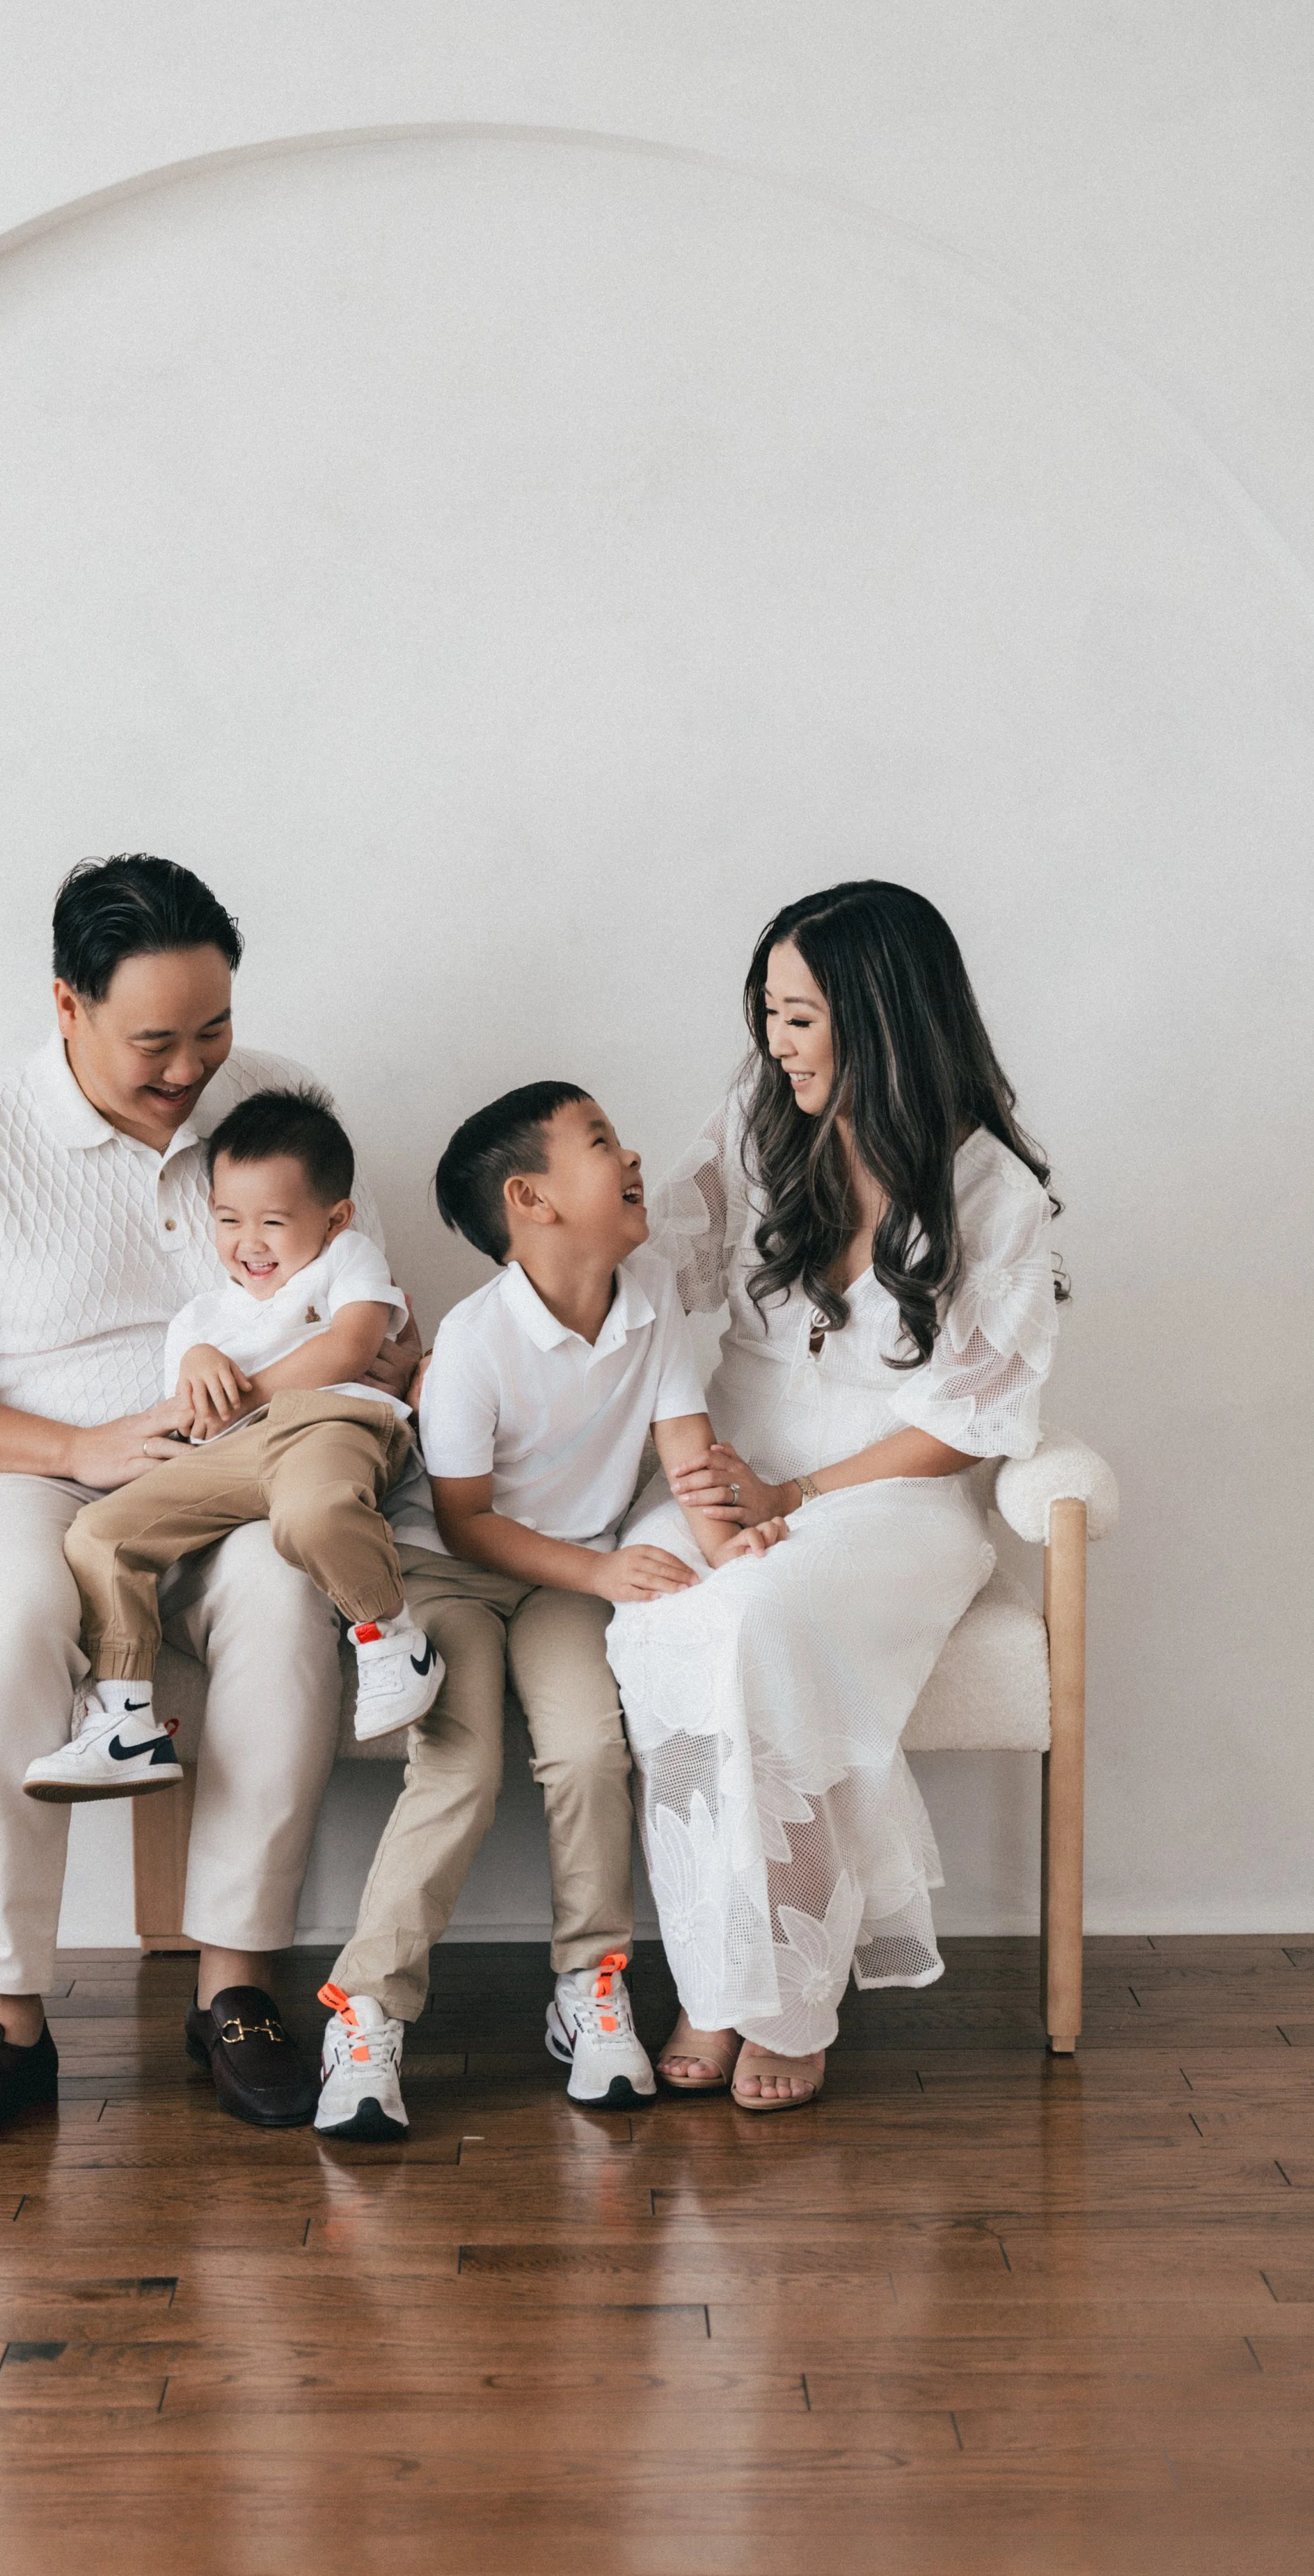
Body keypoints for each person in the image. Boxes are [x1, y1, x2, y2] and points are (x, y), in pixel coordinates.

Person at [0, 855, 419, 2155]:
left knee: (279, 1596)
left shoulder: (271, 1101)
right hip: (29, 1476)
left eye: (212, 1028)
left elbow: (351, 1291)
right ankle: (2, 2014)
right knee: (21, 1616)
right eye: (156, 1039)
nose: (191, 1066)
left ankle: (237, 1987)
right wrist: (74, 1444)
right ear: (66, 1005)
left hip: (247, 1468)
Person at [606, 880, 1061, 2112]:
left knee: (759, 1622)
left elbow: (966, 1431)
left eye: (801, 1017)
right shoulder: (757, 1135)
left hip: (887, 1504)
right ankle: (716, 1965)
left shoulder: (992, 1197)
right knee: (659, 1608)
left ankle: (789, 1995)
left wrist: (791, 1493)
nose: (776, 1044)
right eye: (769, 1013)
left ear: (884, 1018)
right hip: (730, 1473)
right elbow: (644, 1281)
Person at [313, 1082, 773, 2142]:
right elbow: (467, 1522)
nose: (632, 1153)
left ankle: (590, 1983)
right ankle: (368, 2009)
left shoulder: (649, 1290)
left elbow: (686, 1451)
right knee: (461, 1765)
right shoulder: (477, 1341)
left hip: (571, 1581)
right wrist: (603, 1574)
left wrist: (727, 1544)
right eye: (603, 1140)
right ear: (532, 1198)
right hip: (454, 1571)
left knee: (587, 1751)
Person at [23, 1086, 444, 1804]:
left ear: (334, 1217)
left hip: (331, 1425)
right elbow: (198, 1418)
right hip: (240, 1455)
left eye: (274, 1222)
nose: (249, 1242)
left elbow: (351, 1346)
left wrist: (245, 1390)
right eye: (227, 1220)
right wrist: (197, 1367)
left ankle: (392, 1639)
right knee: (99, 1531)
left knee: (310, 1514)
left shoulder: (347, 1259)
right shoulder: (200, 1317)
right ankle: (124, 1720)